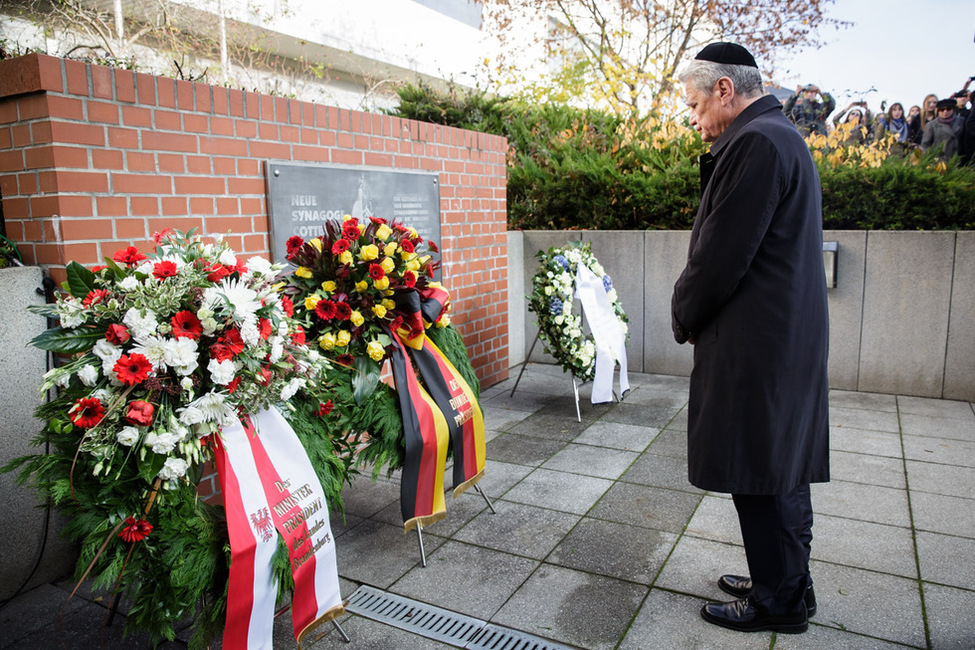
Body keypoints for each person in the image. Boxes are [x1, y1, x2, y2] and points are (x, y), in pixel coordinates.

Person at [672, 42, 829, 635]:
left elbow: (720, 257)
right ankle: (786, 581)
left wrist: (683, 313)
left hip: (761, 343)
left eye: (694, 104)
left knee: (764, 473)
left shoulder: (758, 144)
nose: (693, 118)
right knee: (778, 468)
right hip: (778, 337)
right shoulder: (775, 135)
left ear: (724, 90)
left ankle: (779, 602)